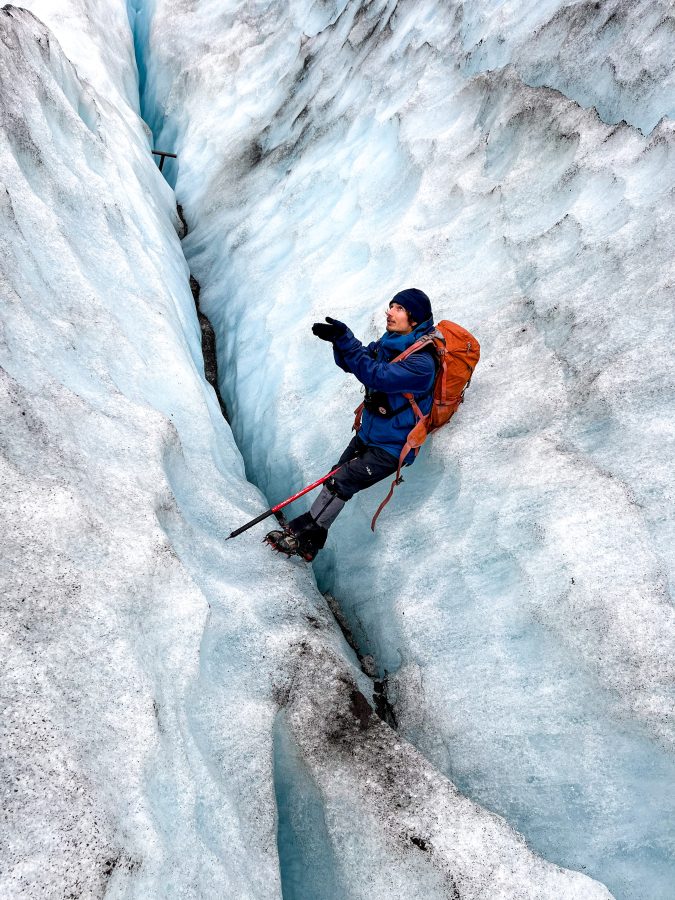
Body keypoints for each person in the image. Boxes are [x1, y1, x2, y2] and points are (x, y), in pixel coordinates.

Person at [266, 288, 436, 560]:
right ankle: (310, 544)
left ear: (414, 319)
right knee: (336, 476)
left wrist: (348, 341)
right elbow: (355, 364)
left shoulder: (422, 362)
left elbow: (376, 375)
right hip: (371, 434)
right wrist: (339, 342)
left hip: (394, 446)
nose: (389, 312)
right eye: (391, 306)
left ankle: (302, 536)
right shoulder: (390, 342)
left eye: (399, 309)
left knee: (341, 480)